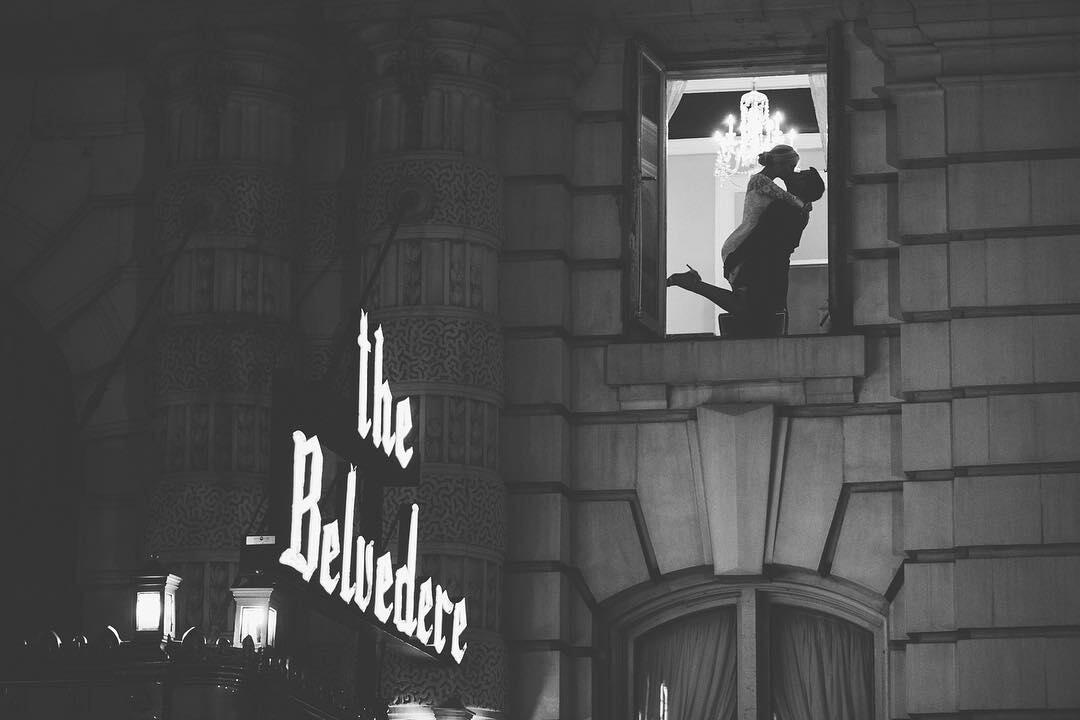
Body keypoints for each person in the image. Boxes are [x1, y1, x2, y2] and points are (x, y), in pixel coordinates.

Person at [667, 165, 825, 337]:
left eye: (801, 176)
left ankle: (691, 283)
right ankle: (691, 283)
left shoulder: (786, 207)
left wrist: (736, 258)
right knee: (756, 310)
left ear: (804, 187)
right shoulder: (796, 209)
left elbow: (761, 235)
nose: (795, 173)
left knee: (750, 308)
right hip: (767, 266)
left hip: (762, 265)